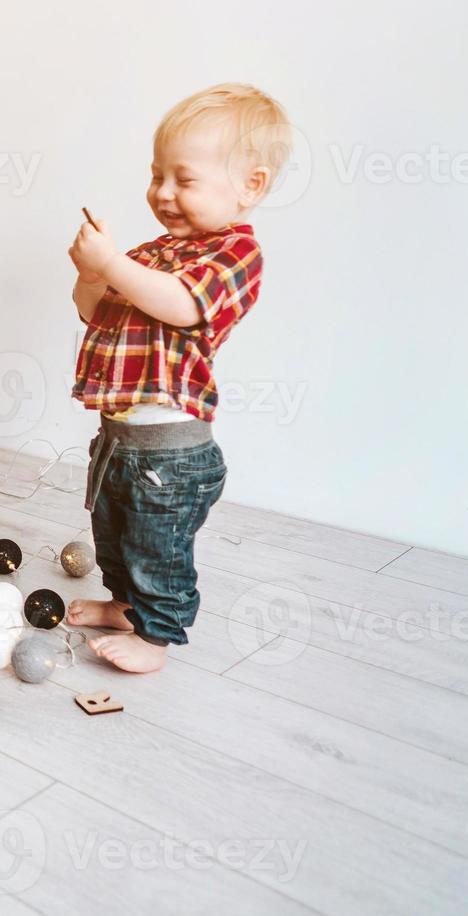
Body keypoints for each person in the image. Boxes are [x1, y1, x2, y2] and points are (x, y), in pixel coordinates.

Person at [64, 83, 291, 672]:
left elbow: (183, 305)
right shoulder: (150, 253)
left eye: (182, 180)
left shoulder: (237, 255)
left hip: (171, 454)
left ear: (251, 185)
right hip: (118, 439)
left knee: (157, 547)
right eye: (155, 175)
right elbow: (95, 310)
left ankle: (157, 635)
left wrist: (112, 263)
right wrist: (93, 274)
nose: (162, 193)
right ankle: (125, 606)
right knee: (112, 533)